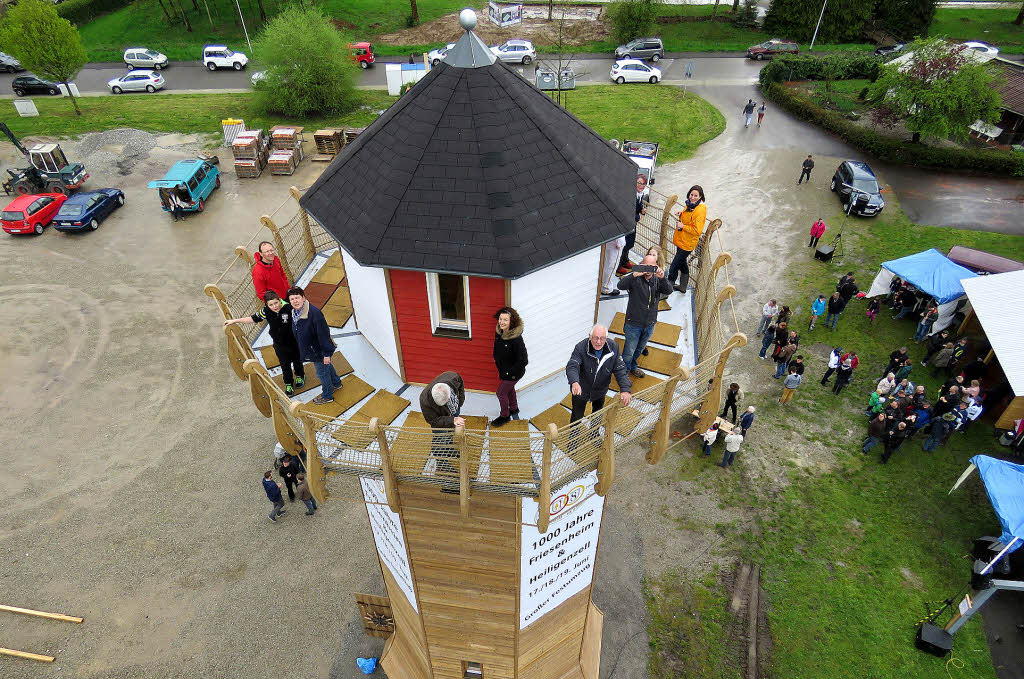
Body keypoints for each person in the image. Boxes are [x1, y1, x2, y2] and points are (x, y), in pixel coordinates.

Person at [224, 291, 305, 395]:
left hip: (294, 342)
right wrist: (235, 321)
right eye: (271, 305)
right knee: (285, 365)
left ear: (279, 300)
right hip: (279, 344)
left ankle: (300, 376)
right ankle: (288, 383)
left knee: (297, 360)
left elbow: (303, 314)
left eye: (276, 303)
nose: (274, 306)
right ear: (267, 305)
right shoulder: (266, 311)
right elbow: (252, 319)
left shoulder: (289, 308)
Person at [618, 254, 673, 378]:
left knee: (639, 348)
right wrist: (633, 274)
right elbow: (620, 286)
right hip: (633, 324)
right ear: (641, 265)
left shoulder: (657, 279)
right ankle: (624, 371)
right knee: (629, 350)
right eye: (645, 266)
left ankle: (633, 367)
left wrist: (663, 278)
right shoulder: (635, 279)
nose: (648, 270)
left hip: (649, 323)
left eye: (651, 267)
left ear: (656, 267)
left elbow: (668, 291)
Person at [565, 325, 632, 424]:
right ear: (590, 336)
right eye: (595, 338)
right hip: (580, 391)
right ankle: (574, 438)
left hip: (600, 391)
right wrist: (574, 382)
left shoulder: (613, 347)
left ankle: (594, 433)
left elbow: (620, 369)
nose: (598, 342)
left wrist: (625, 389)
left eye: (602, 338)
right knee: (576, 417)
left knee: (597, 415)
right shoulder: (580, 347)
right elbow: (572, 365)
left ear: (606, 338)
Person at [288, 286, 341, 405]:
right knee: (326, 367)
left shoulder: (314, 313)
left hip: (319, 351)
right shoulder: (295, 312)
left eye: (297, 298)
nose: (295, 301)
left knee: (322, 373)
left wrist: (326, 354)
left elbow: (324, 334)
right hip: (313, 350)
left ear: (304, 298)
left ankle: (327, 396)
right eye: (292, 299)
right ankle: (337, 383)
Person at [419, 372, 466, 477]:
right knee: (440, 438)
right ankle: (442, 464)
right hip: (439, 417)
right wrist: (451, 420)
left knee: (451, 431)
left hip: (454, 407)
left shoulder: (453, 377)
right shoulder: (424, 400)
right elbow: (434, 421)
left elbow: (461, 387)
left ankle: (449, 450)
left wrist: (460, 402)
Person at [491, 307, 528, 428]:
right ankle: (514, 408)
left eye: (505, 320)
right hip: (504, 370)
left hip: (514, 373)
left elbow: (523, 360)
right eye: (501, 319)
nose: (502, 322)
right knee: (509, 390)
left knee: (501, 393)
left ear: (511, 321)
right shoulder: (500, 333)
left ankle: (505, 415)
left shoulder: (516, 339)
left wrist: (509, 373)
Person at [668, 185, 707, 292]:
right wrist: (681, 214)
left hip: (688, 243)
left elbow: (697, 231)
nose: (692, 197)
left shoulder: (700, 210)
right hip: (682, 240)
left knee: (674, 266)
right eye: (691, 194)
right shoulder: (690, 205)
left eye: (696, 195)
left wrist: (682, 226)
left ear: (700, 197)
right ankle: (683, 287)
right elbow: (689, 219)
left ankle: (667, 289)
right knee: (682, 263)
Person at [618, 175, 649, 275]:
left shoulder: (639, 194)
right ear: (635, 182)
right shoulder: (630, 194)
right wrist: (637, 217)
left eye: (643, 184)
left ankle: (625, 261)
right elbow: (626, 209)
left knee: (629, 243)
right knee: (624, 244)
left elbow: (637, 207)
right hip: (626, 223)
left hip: (632, 223)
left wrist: (642, 211)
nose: (641, 185)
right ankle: (618, 266)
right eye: (639, 183)